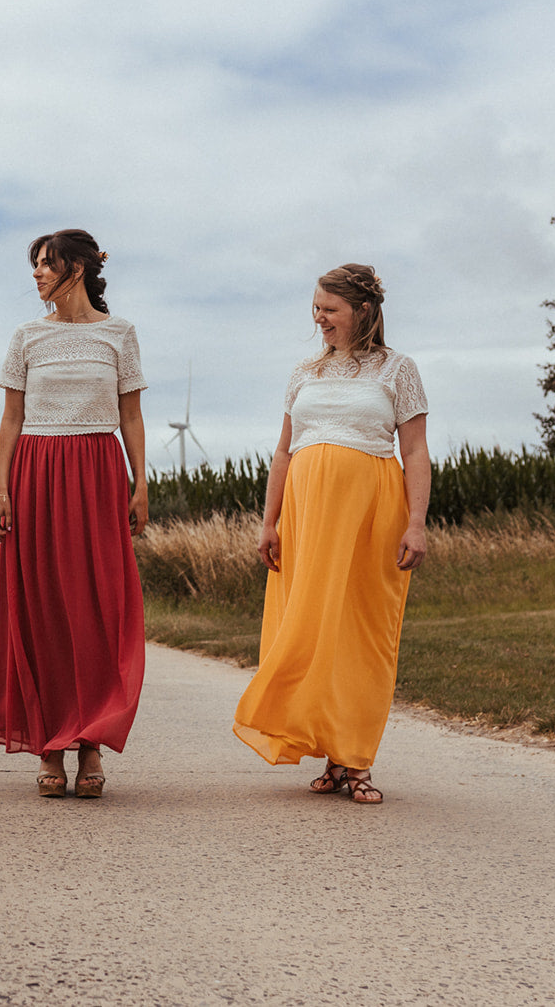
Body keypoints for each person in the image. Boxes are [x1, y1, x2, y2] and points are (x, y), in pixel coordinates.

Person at [233, 263, 430, 804]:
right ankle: (327, 751)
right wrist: (268, 521)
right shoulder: (304, 372)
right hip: (305, 516)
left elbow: (414, 450)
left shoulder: (398, 370)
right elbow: (283, 450)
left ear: (362, 311)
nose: (318, 318)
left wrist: (416, 523)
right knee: (310, 630)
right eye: (316, 308)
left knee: (361, 631)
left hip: (372, 514)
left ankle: (355, 758)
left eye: (329, 309)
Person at [0, 229, 148, 799]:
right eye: (35, 265)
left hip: (98, 471)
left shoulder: (120, 334)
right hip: (36, 471)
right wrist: (1, 491)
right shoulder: (27, 336)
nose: (37, 274)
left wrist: (140, 481)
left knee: (98, 606)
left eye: (47, 264)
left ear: (77, 268)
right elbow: (10, 418)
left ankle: (92, 742)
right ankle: (50, 744)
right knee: (44, 603)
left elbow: (131, 416)